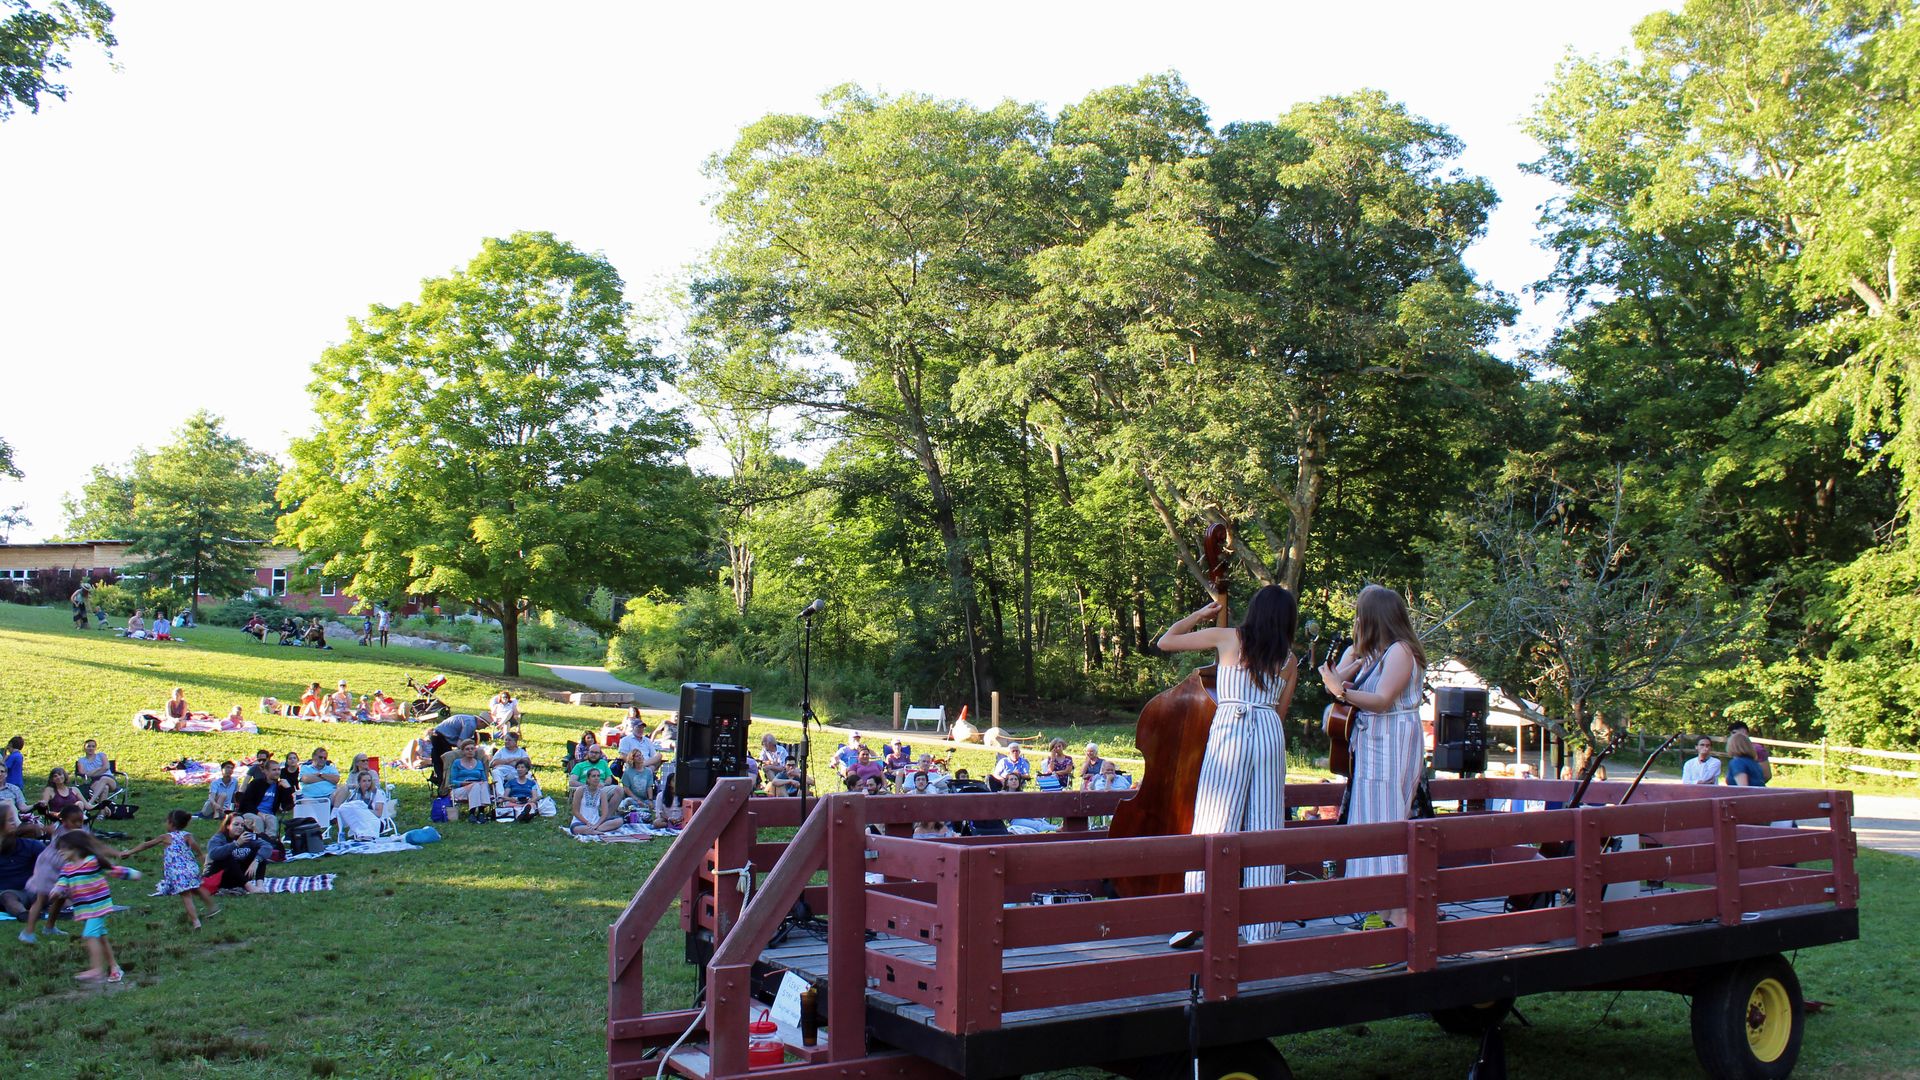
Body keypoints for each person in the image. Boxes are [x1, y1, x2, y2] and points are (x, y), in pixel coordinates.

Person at [1319, 584, 1424, 933]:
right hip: (1372, 743)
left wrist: (1342, 690)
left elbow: (1380, 700)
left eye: (1361, 613)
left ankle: (1395, 912)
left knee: (1386, 821)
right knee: (1367, 820)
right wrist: (1342, 674)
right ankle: (1373, 907)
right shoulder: (1370, 651)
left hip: (1391, 739)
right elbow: (1335, 679)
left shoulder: (1400, 651)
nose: (1357, 620)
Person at [53, 829, 142, 982]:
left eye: (63, 848)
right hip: (85, 908)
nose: (60, 851)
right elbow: (62, 882)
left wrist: (132, 874)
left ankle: (97, 969)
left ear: (76, 847)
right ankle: (114, 967)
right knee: (100, 937)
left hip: (99, 906)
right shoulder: (68, 868)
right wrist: (57, 890)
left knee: (90, 934)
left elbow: (113, 870)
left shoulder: (93, 862)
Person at [124, 809, 214, 929]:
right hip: (191, 869)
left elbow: (146, 845)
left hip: (178, 873)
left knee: (186, 896)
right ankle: (212, 907)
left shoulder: (166, 837)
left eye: (167, 821)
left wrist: (130, 852)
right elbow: (197, 851)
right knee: (197, 888)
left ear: (171, 823)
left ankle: (195, 921)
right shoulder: (188, 835)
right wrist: (203, 861)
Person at [14, 803, 85, 941]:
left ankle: (50, 927)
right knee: (43, 899)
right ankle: (27, 932)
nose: (78, 824)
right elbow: (49, 829)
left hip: (64, 867)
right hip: (48, 867)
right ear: (64, 822)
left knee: (61, 897)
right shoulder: (60, 829)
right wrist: (41, 827)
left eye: (81, 821)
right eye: (74, 822)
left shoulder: (80, 831)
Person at [205, 814, 271, 894]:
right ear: (227, 826)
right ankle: (250, 887)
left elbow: (267, 846)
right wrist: (236, 844)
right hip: (219, 877)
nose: (240, 827)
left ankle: (260, 886)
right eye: (236, 824)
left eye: (242, 825)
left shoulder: (246, 836)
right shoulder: (218, 838)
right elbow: (213, 854)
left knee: (259, 853)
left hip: (239, 877)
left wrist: (256, 861)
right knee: (227, 857)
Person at [236, 759, 291, 833]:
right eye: (274, 770)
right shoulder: (256, 784)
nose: (277, 772)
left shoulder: (280, 786)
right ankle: (260, 841)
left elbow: (288, 805)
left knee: (272, 819)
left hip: (269, 814)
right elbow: (245, 803)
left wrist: (288, 788)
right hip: (252, 813)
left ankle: (270, 842)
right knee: (258, 820)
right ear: (266, 771)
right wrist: (258, 813)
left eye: (279, 769)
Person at [428, 714, 479, 789]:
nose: (484, 727)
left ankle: (443, 783)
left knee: (441, 762)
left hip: (438, 735)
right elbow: (461, 743)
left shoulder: (469, 719)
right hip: (440, 738)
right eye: (485, 725)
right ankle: (444, 786)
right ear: (480, 721)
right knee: (445, 763)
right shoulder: (471, 724)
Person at [446, 741, 493, 822]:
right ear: (463, 752)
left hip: (477, 788)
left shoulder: (479, 763)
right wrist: (465, 783)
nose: (470, 751)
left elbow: (484, 779)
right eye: (467, 749)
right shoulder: (457, 763)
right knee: (475, 786)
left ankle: (480, 813)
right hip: (460, 790)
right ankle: (473, 813)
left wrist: (481, 782)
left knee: (483, 784)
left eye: (472, 749)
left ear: (475, 750)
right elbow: (452, 781)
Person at [617, 721, 660, 803]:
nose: (641, 730)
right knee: (649, 769)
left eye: (642, 728)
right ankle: (641, 765)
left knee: (659, 755)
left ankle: (649, 798)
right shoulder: (625, 740)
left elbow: (654, 755)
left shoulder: (647, 740)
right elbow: (622, 756)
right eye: (638, 728)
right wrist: (635, 763)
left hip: (646, 764)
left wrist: (644, 764)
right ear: (633, 728)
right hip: (633, 764)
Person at [569, 770, 623, 835]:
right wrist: (587, 823)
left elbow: (604, 814)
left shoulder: (602, 793)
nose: (596, 778)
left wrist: (596, 825)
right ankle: (599, 831)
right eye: (593, 776)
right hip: (581, 822)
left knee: (619, 821)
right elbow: (575, 811)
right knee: (576, 829)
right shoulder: (580, 790)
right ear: (588, 779)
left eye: (598, 776)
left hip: (596, 821)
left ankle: (595, 831)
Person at [76, 739, 117, 803]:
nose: (91, 748)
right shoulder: (81, 761)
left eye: (93, 746)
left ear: (95, 748)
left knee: (104, 778)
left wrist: (91, 773)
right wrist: (100, 769)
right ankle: (102, 812)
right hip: (95, 781)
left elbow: (106, 767)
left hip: (110, 780)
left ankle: (90, 802)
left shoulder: (101, 755)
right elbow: (84, 774)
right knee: (105, 788)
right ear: (84, 748)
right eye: (89, 746)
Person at [4, 735, 25, 811]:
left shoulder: (12, 756)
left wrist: (4, 758)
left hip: (11, 781)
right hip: (19, 781)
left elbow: (5, 767)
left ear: (11, 744)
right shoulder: (19, 755)